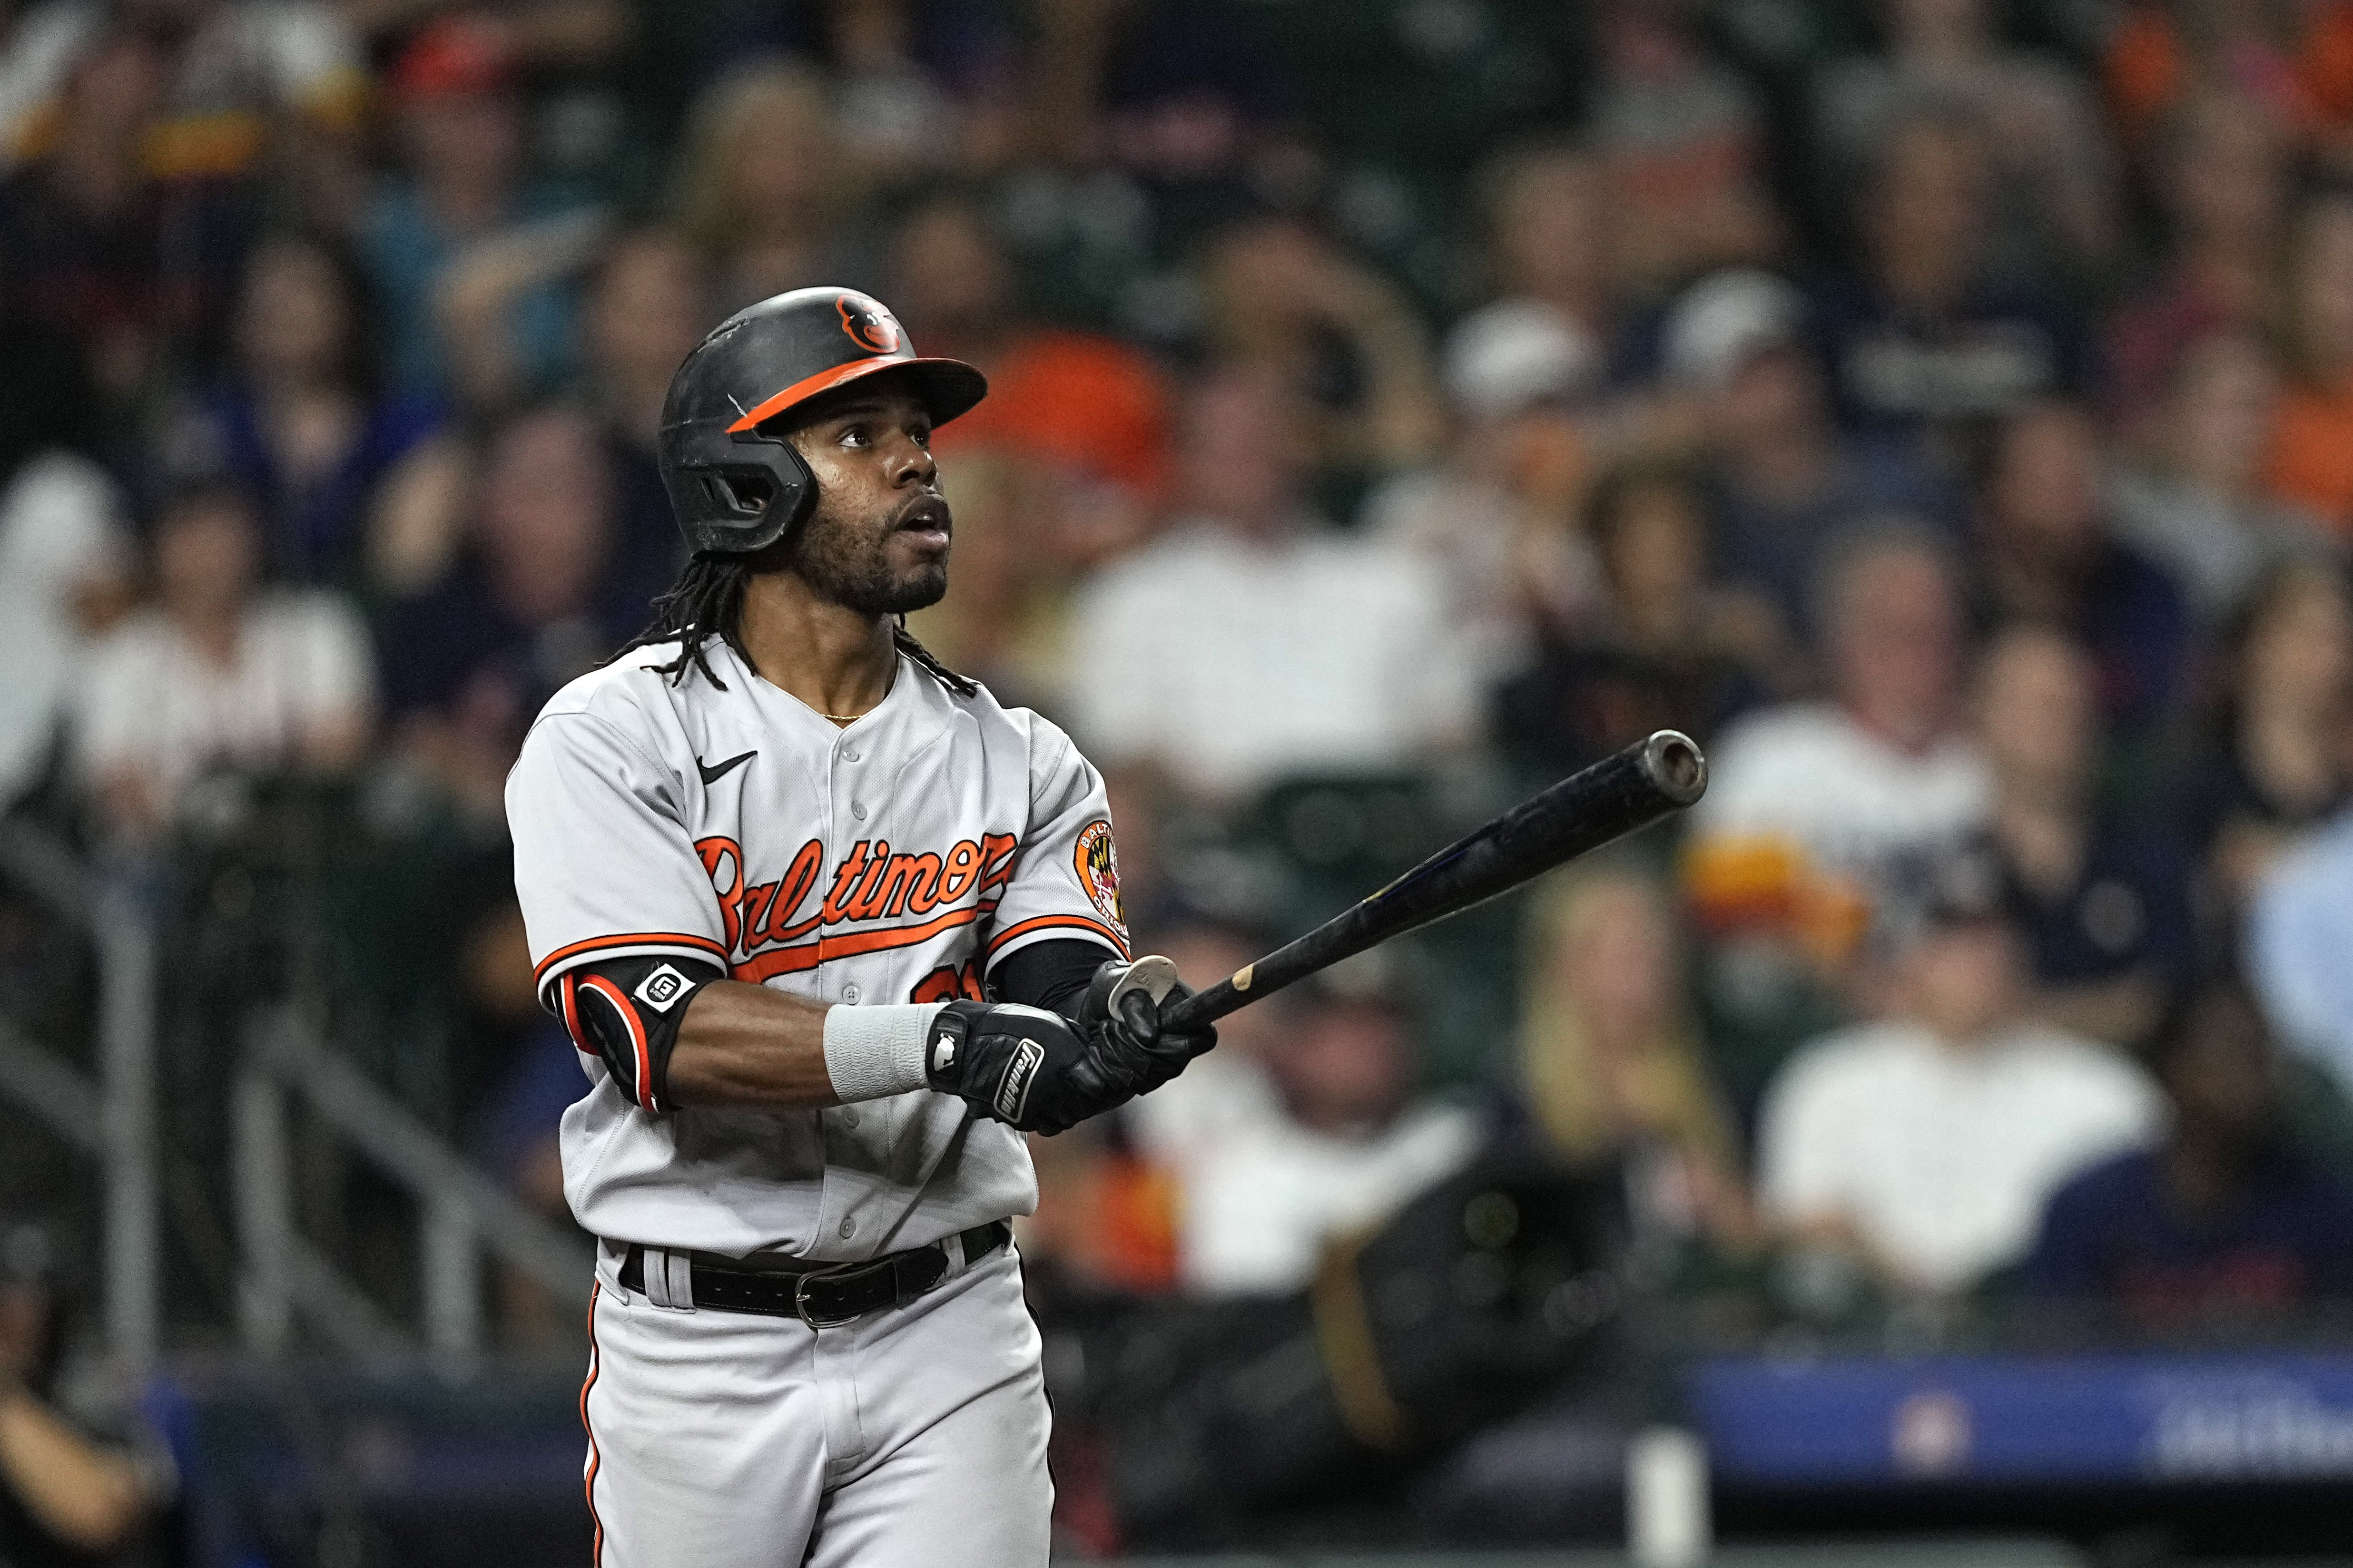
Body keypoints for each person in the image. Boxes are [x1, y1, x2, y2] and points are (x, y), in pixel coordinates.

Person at [506, 285, 1217, 1567]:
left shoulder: (1026, 760)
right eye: (857, 438)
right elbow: (650, 1031)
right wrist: (945, 1047)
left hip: (946, 1328)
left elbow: (1053, 1002)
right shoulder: (614, 737)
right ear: (744, 486)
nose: (915, 462)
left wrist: (1109, 1028)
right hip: (698, 1347)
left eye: (917, 435)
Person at [1066, 369, 1476, 804]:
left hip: (1395, 831)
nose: (1247, 459)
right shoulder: (1129, 598)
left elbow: (1452, 728)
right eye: (1224, 445)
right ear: (1186, 462)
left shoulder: (1393, 580)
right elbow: (1125, 748)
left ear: (1298, 446)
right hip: (1219, 845)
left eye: (1262, 436)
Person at [1756, 861, 2159, 1296]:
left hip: (2042, 1343)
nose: (1975, 960)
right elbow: (1805, 1240)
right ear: (1905, 956)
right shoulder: (1827, 1081)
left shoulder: (2104, 1089)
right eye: (1951, 938)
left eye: (1992, 937)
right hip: (1864, 1346)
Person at [1683, 525, 1989, 964]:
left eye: (1938, 632)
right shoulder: (1771, 757)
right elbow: (1719, 911)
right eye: (1897, 633)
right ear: (1841, 641)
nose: (1923, 657)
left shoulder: (1992, 761)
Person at [2025, 980, 2353, 1324]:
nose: (2254, 1083)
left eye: (2263, 1058)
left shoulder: (2326, 1209)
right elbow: (2055, 1362)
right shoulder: (2087, 1210)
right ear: (2170, 1072)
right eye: (2230, 1058)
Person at [1665, 267, 1957, 642]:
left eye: (1781, 363)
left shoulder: (1904, 485)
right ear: (1700, 402)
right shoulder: (1701, 524)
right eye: (1744, 377)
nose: (1772, 390)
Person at [74, 481, 373, 847]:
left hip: (301, 856)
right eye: (193, 531)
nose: (214, 548)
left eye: (227, 527)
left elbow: (340, 757)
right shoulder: (119, 658)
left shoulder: (314, 625)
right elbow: (120, 791)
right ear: (157, 546)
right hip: (173, 870)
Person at [171, 231, 457, 589]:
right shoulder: (213, 421)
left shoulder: (404, 424)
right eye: (264, 291)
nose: (279, 305)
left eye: (301, 289)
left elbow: (410, 570)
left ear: (348, 308)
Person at [1177, 976, 1480, 1297]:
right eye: (1343, 1030)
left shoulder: (1460, 1145)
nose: (1367, 1048)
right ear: (1291, 1045)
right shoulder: (1241, 1176)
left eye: (1384, 1027)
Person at [1974, 625, 2193, 1048]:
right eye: (2036, 706)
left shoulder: (2150, 860)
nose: (2058, 723)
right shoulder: (1942, 860)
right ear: (1982, 717)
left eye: (2072, 704)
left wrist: (2013, 1018)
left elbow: (2155, 1002)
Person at [1971, 399, 2192, 738]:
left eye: (2079, 475)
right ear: (1998, 491)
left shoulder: (2148, 594)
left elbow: (2162, 725)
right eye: (2045, 476)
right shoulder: (1954, 604)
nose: (2068, 499)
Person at [0, 1223, 168, 1562]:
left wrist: (7, 1397)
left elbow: (99, 1514)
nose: (15, 1321)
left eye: (29, 1307)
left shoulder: (93, 1401)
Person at [2193, 559, 2353, 910]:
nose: (2333, 655)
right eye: (2309, 633)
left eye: (2341, 636)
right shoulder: (2198, 795)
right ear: (2253, 650)